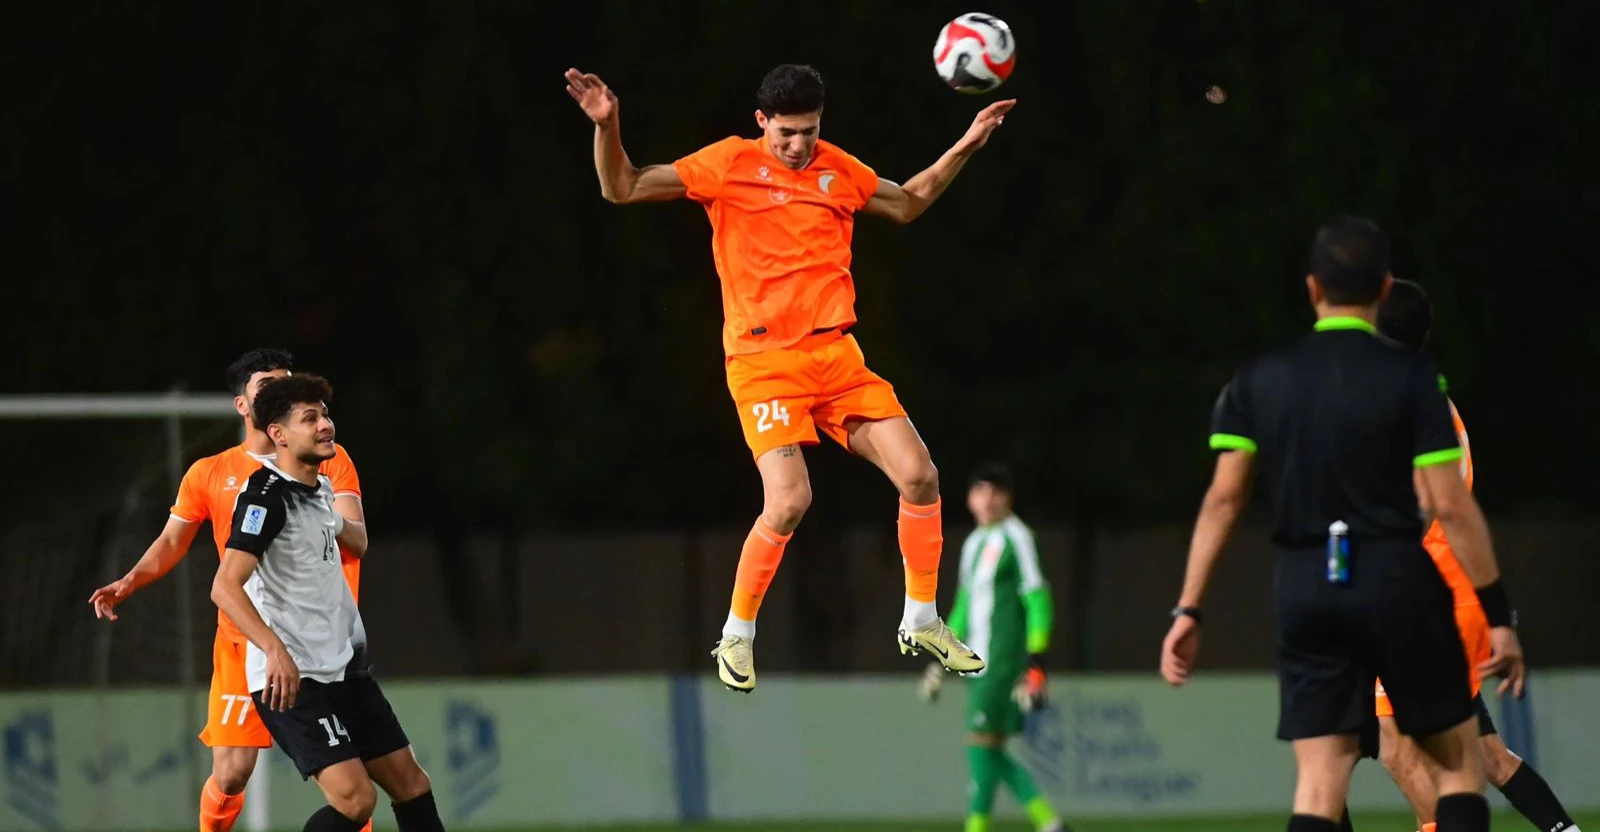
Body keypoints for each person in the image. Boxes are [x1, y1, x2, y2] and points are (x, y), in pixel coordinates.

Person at [564, 63, 1013, 691]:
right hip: (764, 364)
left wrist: (966, 143)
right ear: (762, 122)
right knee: (790, 500)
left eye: (809, 131)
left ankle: (921, 617)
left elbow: (908, 201)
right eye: (786, 133)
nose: (799, 145)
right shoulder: (729, 164)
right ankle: (737, 634)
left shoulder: (837, 168)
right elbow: (623, 187)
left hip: (836, 358)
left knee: (920, 476)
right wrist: (607, 127)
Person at [1158, 216, 1525, 832]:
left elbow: (1223, 500)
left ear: (1312, 288)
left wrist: (1188, 609)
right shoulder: (1413, 380)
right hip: (1395, 577)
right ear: (1383, 290)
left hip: (1306, 584)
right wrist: (1498, 616)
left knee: (1319, 780)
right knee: (1461, 766)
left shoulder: (1260, 377)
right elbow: (1452, 505)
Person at [87, 348, 370, 832]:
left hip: (326, 645)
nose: (282, 393)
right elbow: (172, 541)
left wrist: (314, 506)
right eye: (268, 387)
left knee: (351, 782)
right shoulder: (210, 473)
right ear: (243, 405)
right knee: (233, 772)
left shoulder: (328, 458)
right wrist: (130, 580)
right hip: (247, 643)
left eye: (289, 384)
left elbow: (355, 535)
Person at [1372, 279, 1581, 832]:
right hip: (1455, 596)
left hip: (1423, 598)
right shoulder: (1432, 399)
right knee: (1487, 756)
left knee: (1396, 746)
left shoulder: (1397, 403)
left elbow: (1411, 508)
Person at [211, 374, 443, 832]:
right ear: (278, 434)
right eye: (310, 418)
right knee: (356, 800)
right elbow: (225, 586)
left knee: (412, 784)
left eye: (326, 415)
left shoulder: (318, 490)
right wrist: (274, 650)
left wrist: (339, 524)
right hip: (294, 682)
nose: (325, 425)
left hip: (344, 671)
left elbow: (355, 540)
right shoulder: (264, 498)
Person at [918, 463, 1067, 832]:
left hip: (1002, 662)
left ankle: (983, 826)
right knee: (989, 750)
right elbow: (964, 606)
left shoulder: (1018, 538)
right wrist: (941, 657)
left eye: (996, 492)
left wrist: (1036, 660)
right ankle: (1050, 824)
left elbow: (1037, 598)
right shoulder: (973, 544)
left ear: (1008, 498)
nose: (988, 499)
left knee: (980, 746)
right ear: (970, 499)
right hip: (977, 664)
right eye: (980, 491)